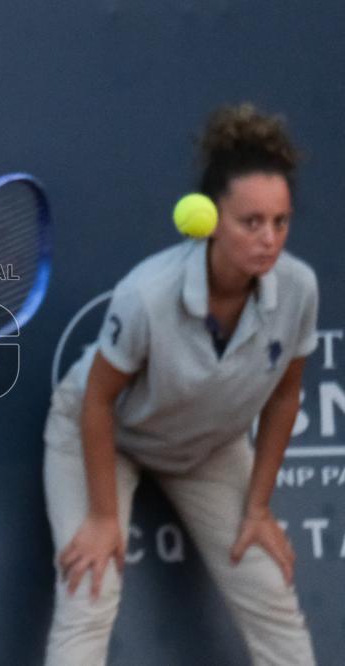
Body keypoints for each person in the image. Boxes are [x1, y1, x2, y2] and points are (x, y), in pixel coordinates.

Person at [43, 103, 318, 665]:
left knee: (271, 589)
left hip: (205, 447)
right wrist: (101, 519)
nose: (269, 239)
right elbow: (97, 401)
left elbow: (286, 395)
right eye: (251, 222)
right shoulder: (148, 294)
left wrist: (259, 507)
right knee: (90, 593)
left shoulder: (299, 289)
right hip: (102, 436)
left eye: (280, 222)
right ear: (212, 219)